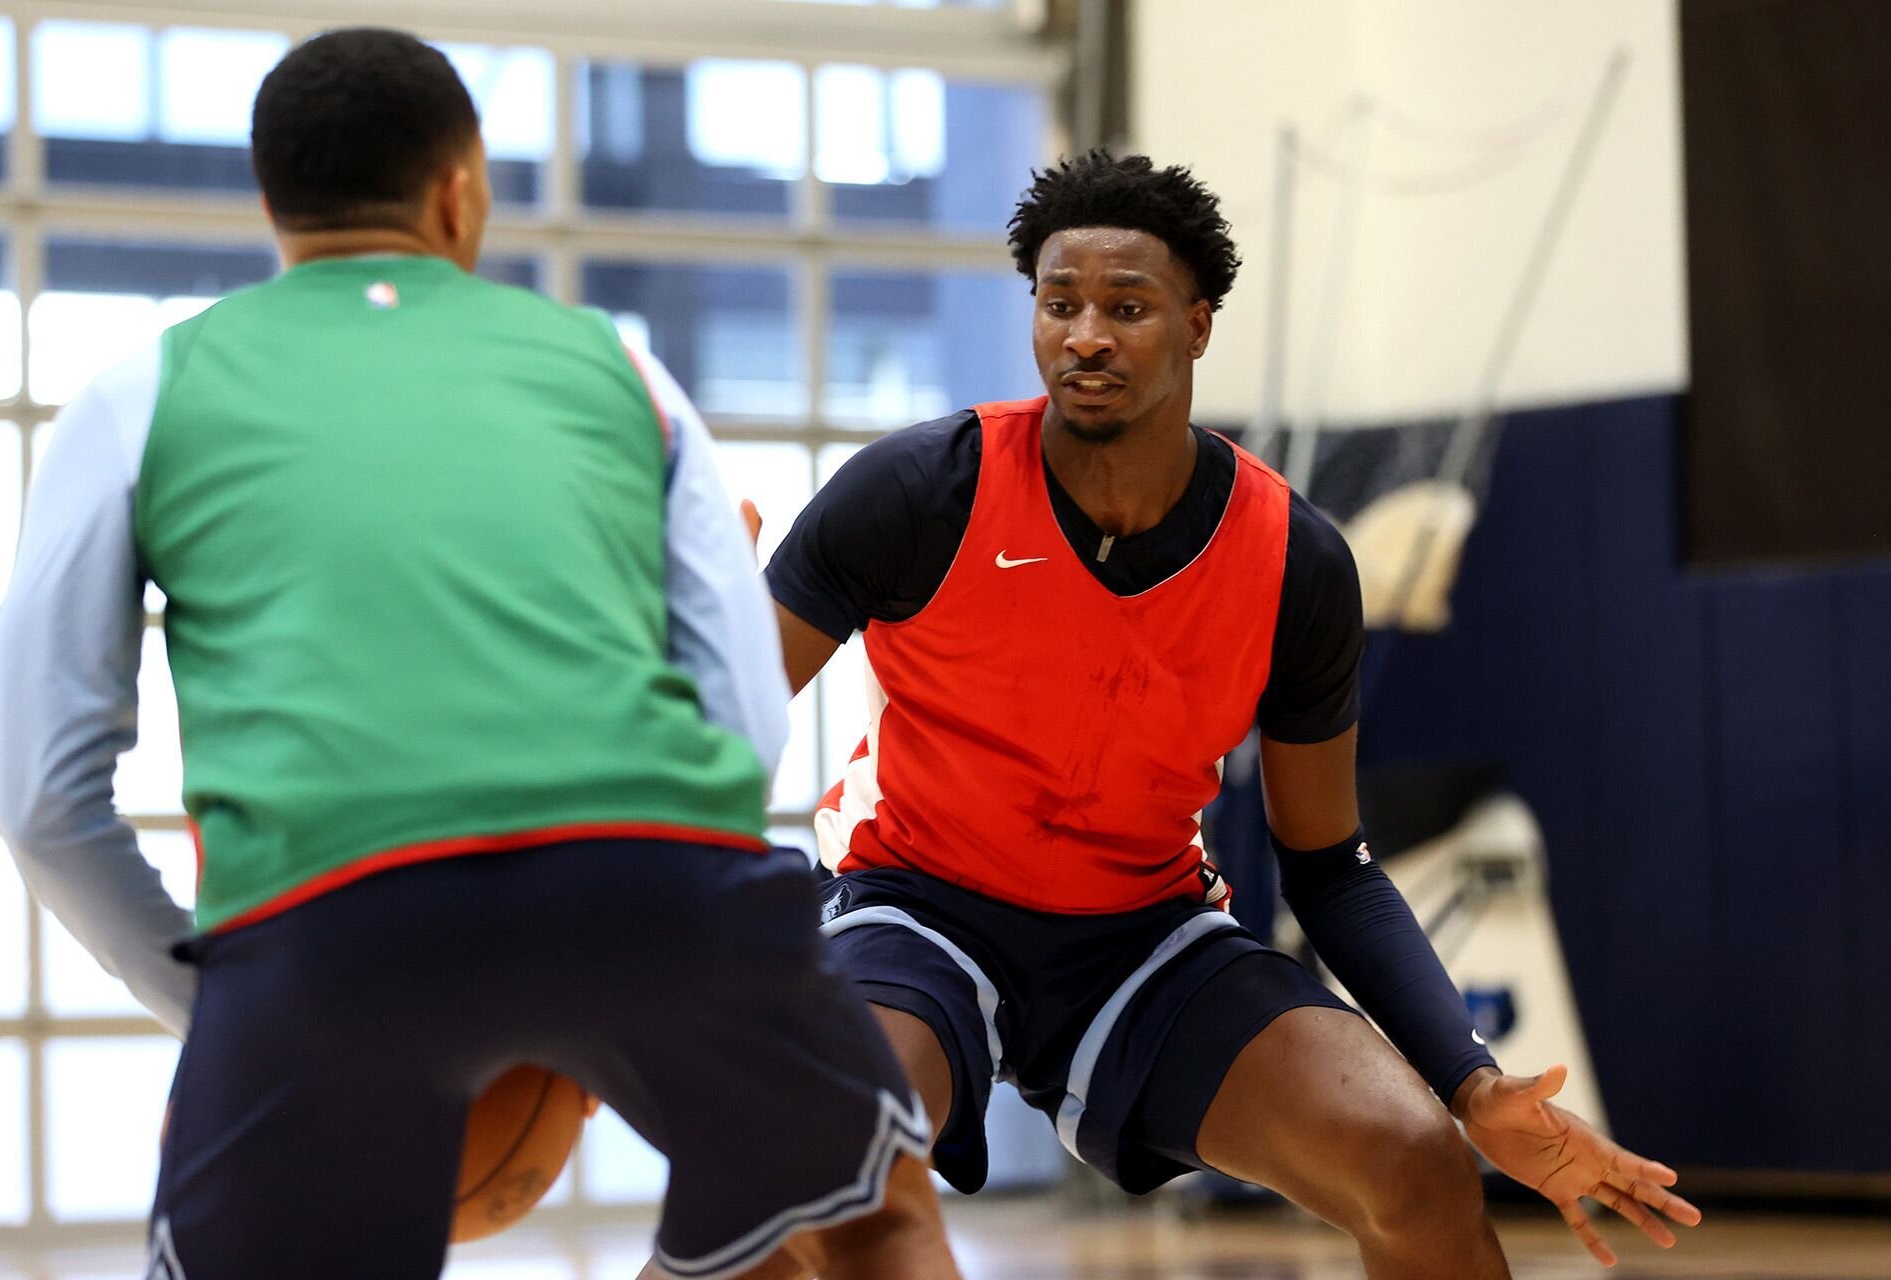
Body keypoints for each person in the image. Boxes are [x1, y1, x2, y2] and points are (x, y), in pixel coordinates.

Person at [0, 28, 957, 1280]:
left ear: (276, 204)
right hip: (656, 880)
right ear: (462, 191)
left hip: (332, 916)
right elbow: (742, 720)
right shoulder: (624, 370)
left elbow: (43, 799)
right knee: (870, 1215)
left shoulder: (138, 395)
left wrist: (209, 992)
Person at [719, 151, 1700, 1279]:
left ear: (1197, 324)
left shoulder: (1295, 562)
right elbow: (717, 727)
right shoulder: (916, 490)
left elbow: (1329, 865)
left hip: (1144, 936)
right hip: (913, 905)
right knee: (824, 1164)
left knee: (1413, 1157)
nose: (1085, 334)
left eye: (1124, 307)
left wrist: (1471, 1081)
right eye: (1059, 303)